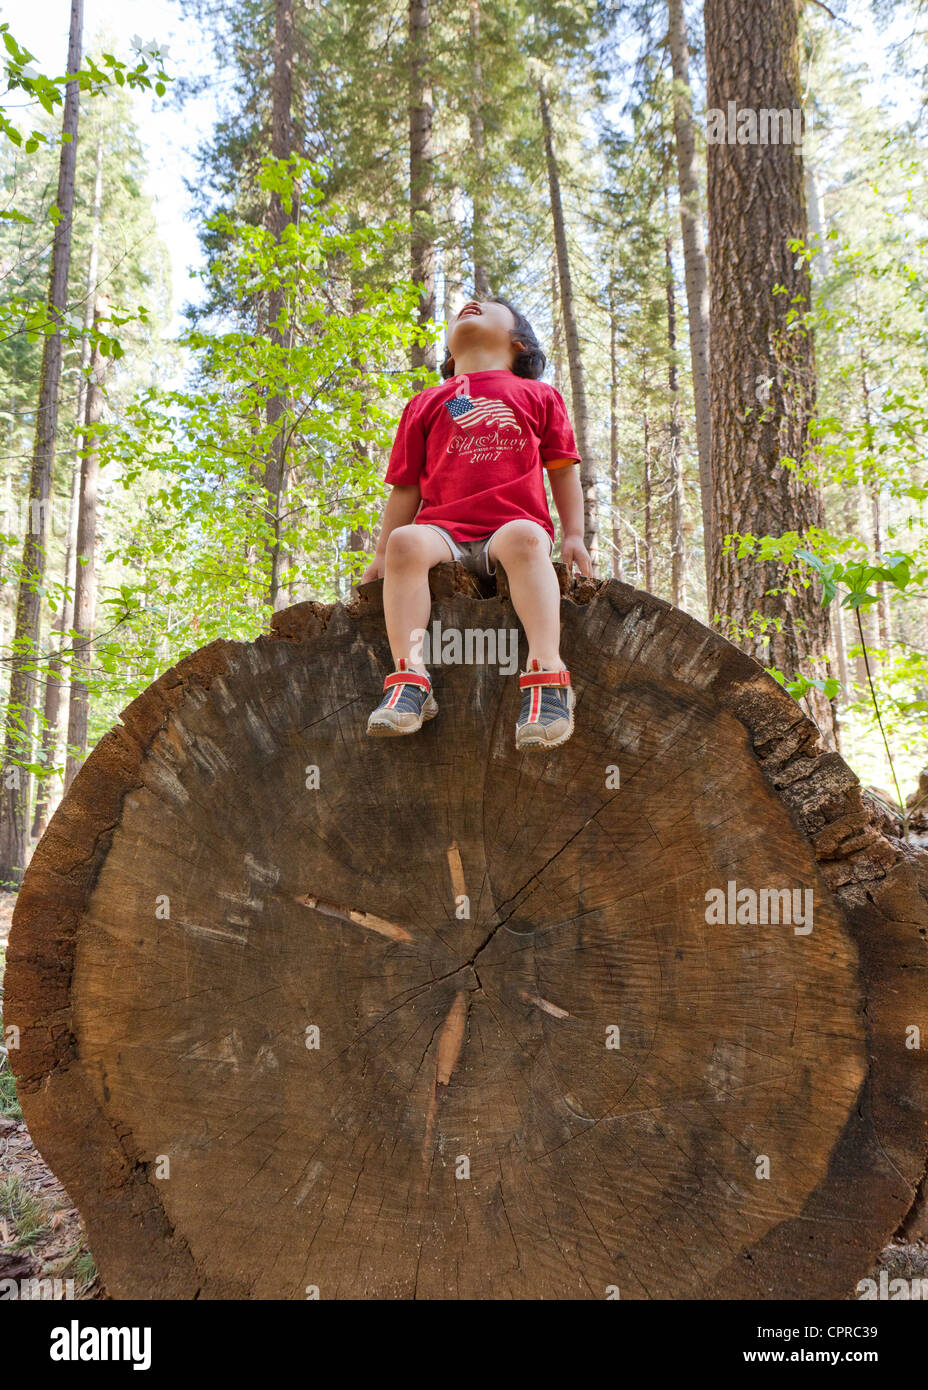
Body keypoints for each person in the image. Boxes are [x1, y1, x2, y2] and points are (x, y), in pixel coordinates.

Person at [360, 295, 592, 748]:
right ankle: (411, 679)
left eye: (488, 305)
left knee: (527, 539)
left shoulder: (538, 395)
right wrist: (382, 553)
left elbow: (562, 468)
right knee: (406, 543)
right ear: (448, 353)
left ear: (519, 342)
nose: (470, 303)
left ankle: (548, 673)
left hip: (511, 527)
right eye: (465, 306)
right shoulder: (431, 402)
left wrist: (574, 534)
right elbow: (406, 488)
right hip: (442, 532)